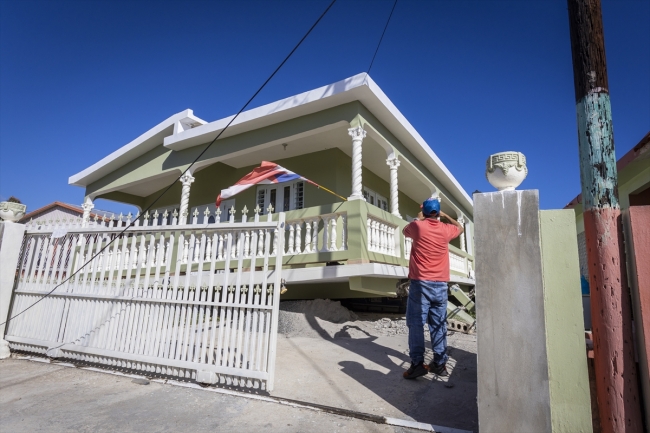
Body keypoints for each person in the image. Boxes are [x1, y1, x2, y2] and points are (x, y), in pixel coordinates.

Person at [401, 198, 464, 379]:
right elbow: (460, 227)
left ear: (425, 212)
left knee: (416, 324)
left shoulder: (418, 226)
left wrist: (418, 216)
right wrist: (445, 215)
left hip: (421, 284)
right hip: (441, 285)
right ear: (438, 213)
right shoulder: (446, 230)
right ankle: (440, 364)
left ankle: (417, 364)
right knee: (438, 325)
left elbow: (407, 230)